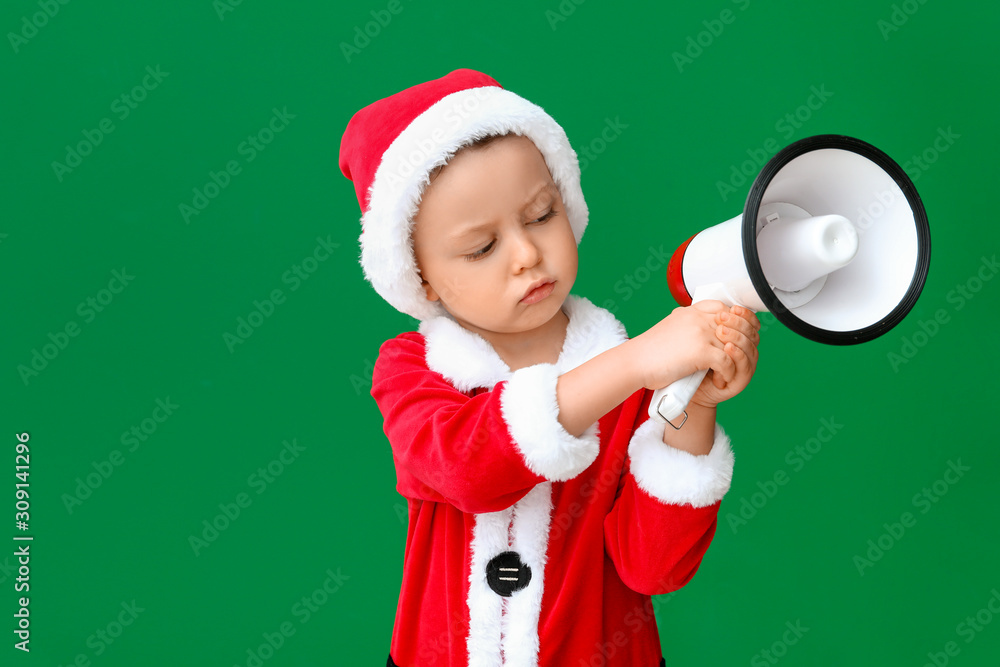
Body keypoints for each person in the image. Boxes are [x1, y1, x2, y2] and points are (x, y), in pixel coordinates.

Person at [339, 68, 760, 667]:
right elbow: (466, 467)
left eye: (541, 214)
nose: (528, 254)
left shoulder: (630, 375)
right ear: (420, 275)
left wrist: (694, 404)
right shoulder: (414, 369)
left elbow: (654, 567)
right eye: (482, 248)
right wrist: (638, 361)